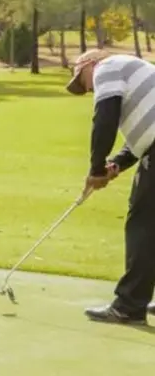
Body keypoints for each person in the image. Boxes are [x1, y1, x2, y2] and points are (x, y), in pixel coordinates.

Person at [66, 48, 155, 324]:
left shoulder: (108, 67)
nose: (90, 89)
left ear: (89, 63)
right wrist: (113, 165)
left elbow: (105, 118)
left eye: (84, 81)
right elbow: (142, 136)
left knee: (143, 225)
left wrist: (95, 170)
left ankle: (128, 306)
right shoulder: (134, 70)